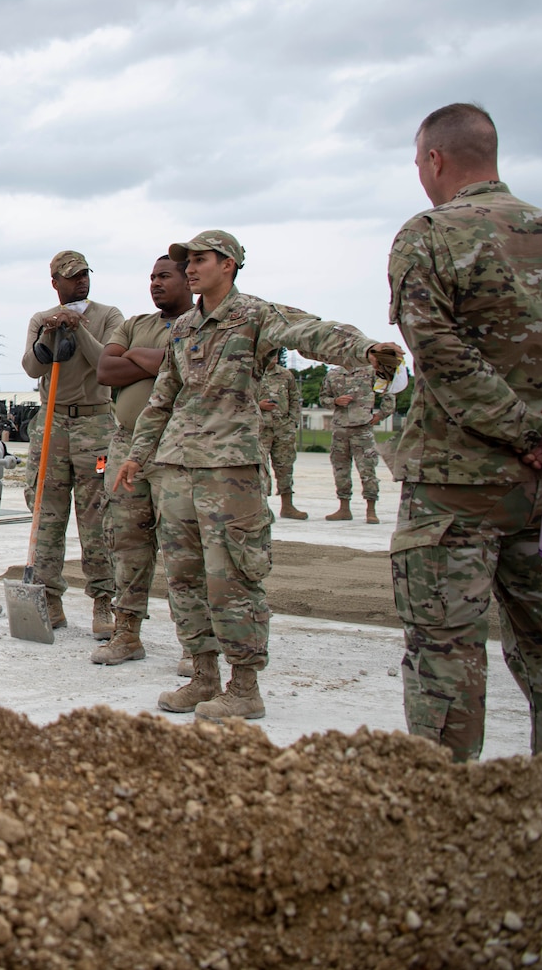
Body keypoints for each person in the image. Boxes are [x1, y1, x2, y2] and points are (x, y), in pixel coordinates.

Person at [388, 103, 542, 771]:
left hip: (455, 491)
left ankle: (447, 806)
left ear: (435, 159)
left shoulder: (430, 236)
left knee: (445, 651)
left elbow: (437, 352)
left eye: (418, 162)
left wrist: (526, 426)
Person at [115, 231, 399, 721]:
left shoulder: (256, 316)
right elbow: (164, 396)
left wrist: (366, 350)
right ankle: (203, 678)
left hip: (231, 472)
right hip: (178, 467)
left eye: (200, 261)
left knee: (234, 579)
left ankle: (244, 686)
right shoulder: (184, 326)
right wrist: (138, 455)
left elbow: (312, 332)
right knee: (184, 578)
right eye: (188, 262)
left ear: (228, 264)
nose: (191, 270)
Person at [90, 254, 192, 665]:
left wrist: (138, 357)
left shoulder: (199, 326)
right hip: (127, 445)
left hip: (177, 448)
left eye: (164, 276)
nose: (155, 283)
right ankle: (127, 633)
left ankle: (195, 646)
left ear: (189, 281)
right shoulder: (134, 325)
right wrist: (150, 357)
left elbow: (181, 368)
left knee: (183, 548)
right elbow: (105, 369)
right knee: (127, 542)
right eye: (151, 276)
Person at [19, 251, 125, 634]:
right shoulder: (40, 318)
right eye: (71, 276)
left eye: (84, 274)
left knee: (97, 514)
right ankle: (49, 599)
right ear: (55, 283)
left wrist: (78, 327)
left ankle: (103, 601)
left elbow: (107, 365)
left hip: (95, 423)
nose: (80, 281)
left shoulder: (110, 316)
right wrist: (51, 330)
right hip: (52, 424)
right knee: (46, 515)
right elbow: (33, 367)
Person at [321, 361, 387, 522]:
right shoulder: (332, 374)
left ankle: (371, 510)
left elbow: (388, 393)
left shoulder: (371, 372)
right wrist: (335, 401)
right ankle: (344, 508)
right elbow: (323, 398)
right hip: (340, 429)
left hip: (362, 429)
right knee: (340, 470)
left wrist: (382, 414)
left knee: (367, 469)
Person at [258, 351, 307, 520]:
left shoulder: (286, 375)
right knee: (260, 469)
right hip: (260, 429)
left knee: (285, 467)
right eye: (270, 354)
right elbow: (240, 399)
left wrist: (292, 422)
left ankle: (287, 506)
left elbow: (295, 399)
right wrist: (258, 406)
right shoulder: (253, 373)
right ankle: (262, 507)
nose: (274, 357)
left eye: (276, 354)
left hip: (283, 429)